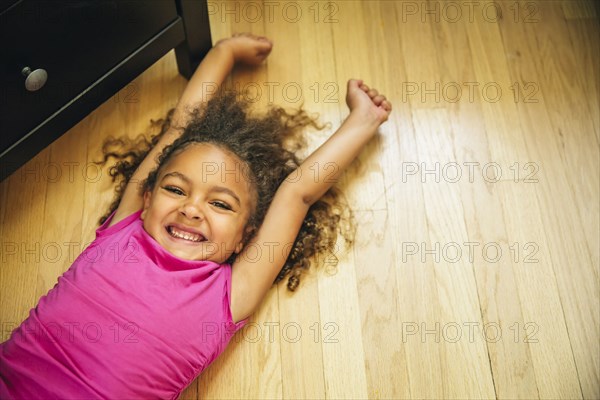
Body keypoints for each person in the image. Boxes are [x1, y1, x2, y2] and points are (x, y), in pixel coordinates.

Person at [0, 33, 391, 399]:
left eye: (220, 204)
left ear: (244, 239)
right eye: (175, 189)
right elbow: (177, 132)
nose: (191, 208)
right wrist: (223, 52)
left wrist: (363, 120)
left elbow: (298, 192)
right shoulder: (127, 227)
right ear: (148, 196)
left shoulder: (230, 293)